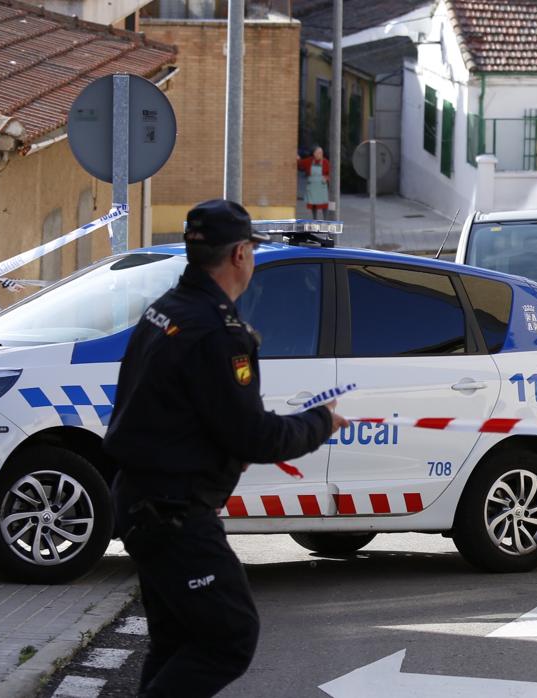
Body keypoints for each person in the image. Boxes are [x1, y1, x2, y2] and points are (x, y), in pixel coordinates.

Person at [103, 199, 347, 697]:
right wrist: (321, 422)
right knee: (230, 636)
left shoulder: (165, 309)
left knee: (175, 644)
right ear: (240, 254)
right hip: (173, 512)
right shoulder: (218, 333)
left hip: (142, 499)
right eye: (252, 250)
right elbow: (252, 436)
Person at [297, 147, 330, 220]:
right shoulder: (309, 161)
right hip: (312, 187)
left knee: (324, 204)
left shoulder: (326, 162)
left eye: (321, 153)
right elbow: (300, 164)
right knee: (313, 205)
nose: (320, 154)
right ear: (314, 153)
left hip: (321, 186)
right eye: (318, 153)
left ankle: (326, 220)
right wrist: (297, 158)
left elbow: (331, 174)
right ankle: (314, 219)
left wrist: (327, 178)